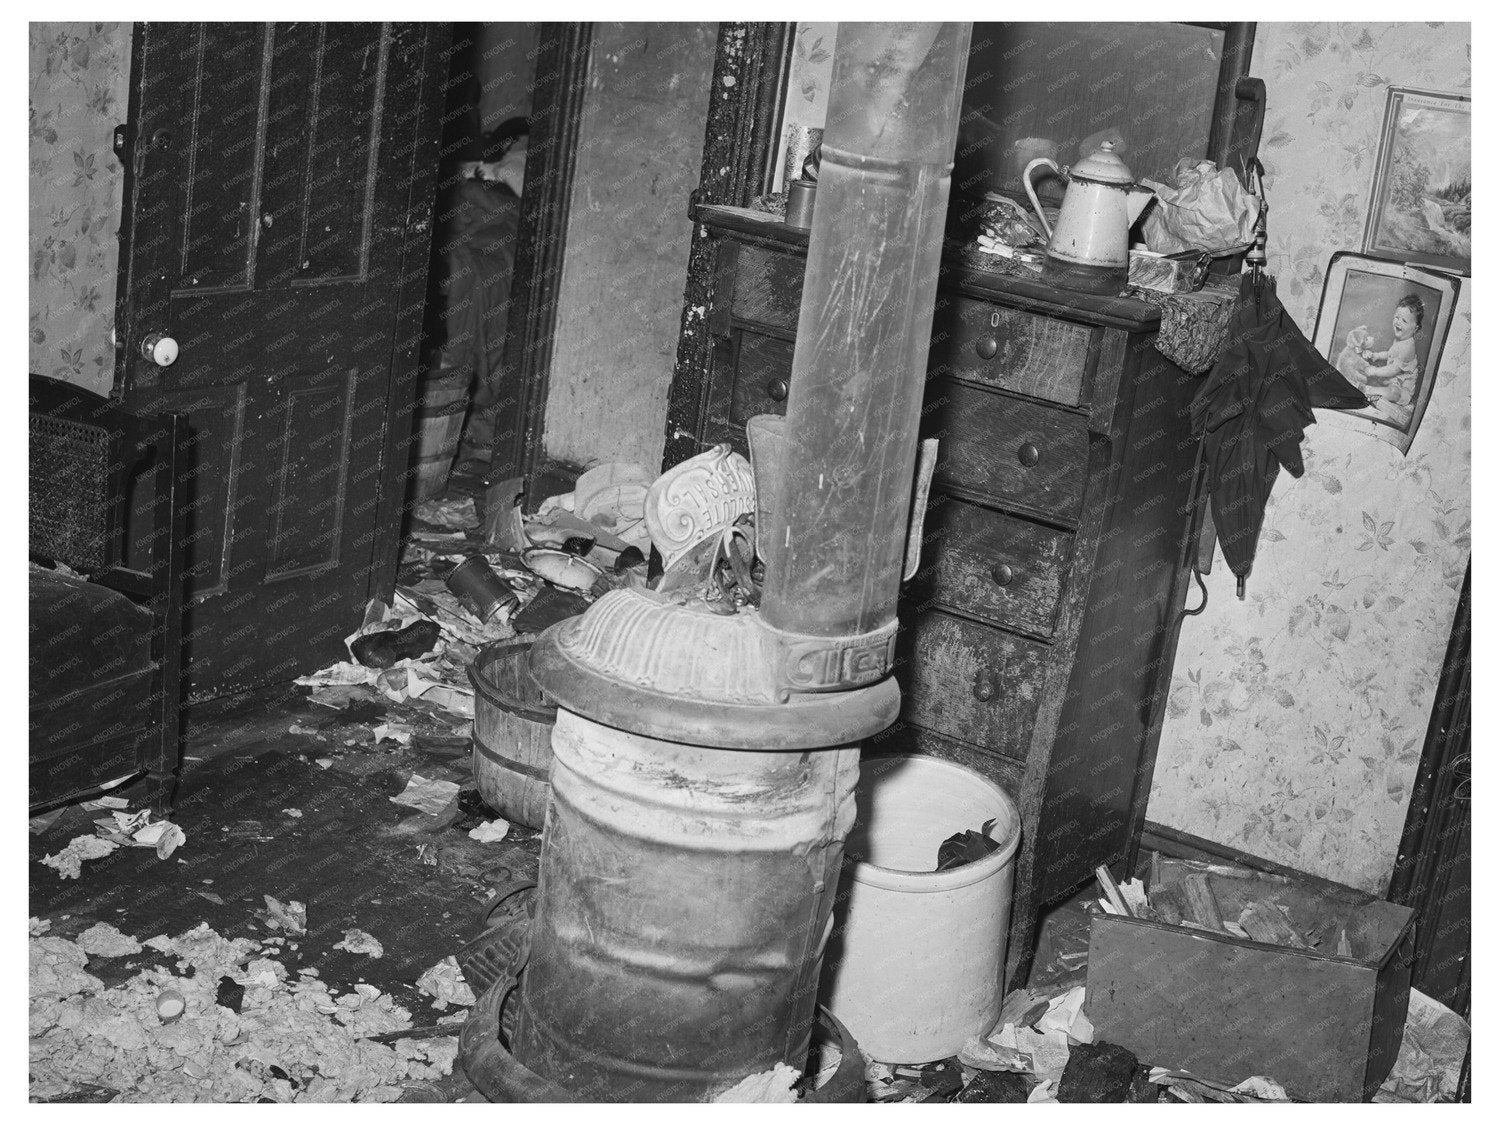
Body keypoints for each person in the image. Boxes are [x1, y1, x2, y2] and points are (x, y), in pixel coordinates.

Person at [1335, 293, 1423, 428]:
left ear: (1415, 328)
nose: (1398, 322)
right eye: (1397, 317)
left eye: (1404, 321)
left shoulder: (1408, 347)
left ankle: (1369, 390)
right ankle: (1373, 391)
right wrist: (1377, 355)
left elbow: (1393, 369)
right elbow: (1390, 354)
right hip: (1392, 381)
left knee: (1393, 392)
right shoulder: (1401, 340)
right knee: (1385, 385)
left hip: (1403, 389)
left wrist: (1375, 370)